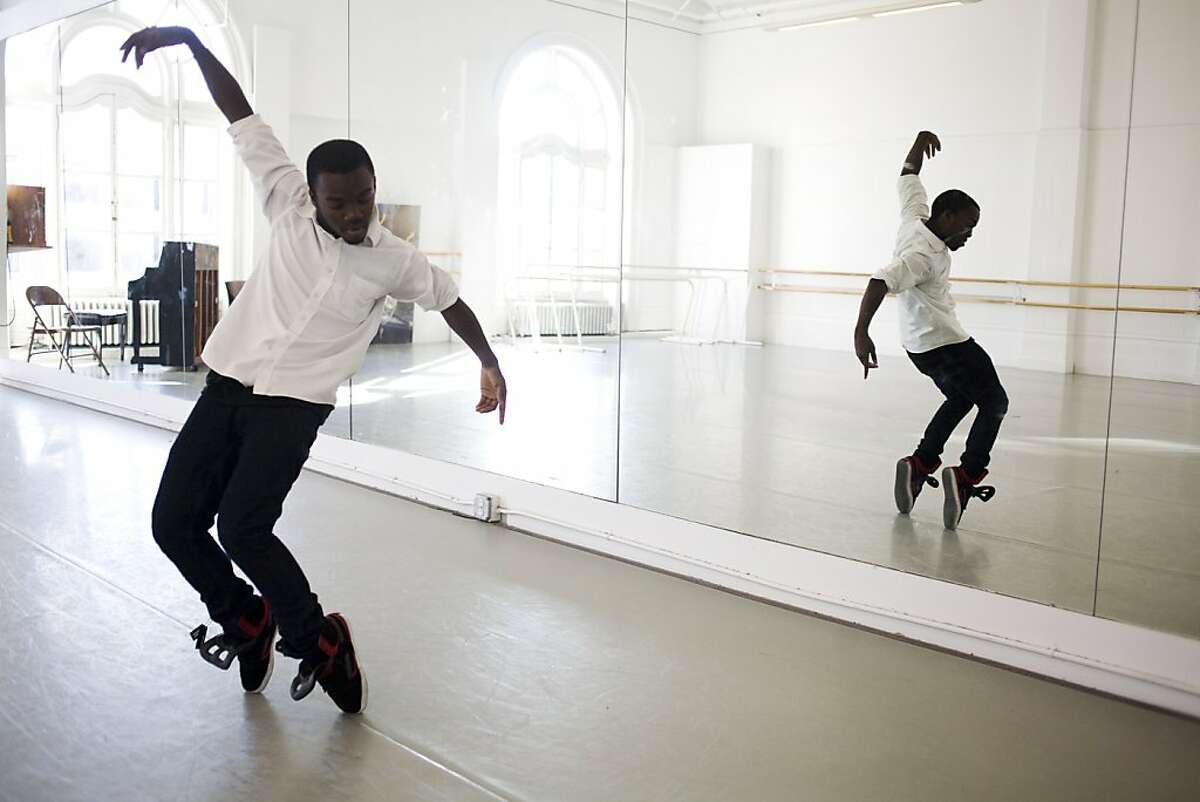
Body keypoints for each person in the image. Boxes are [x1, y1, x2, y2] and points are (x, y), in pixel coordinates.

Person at [122, 26, 507, 714]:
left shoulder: (394, 258)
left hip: (293, 408)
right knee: (172, 522)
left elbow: (450, 300)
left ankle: (320, 639)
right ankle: (245, 618)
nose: (356, 214)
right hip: (227, 386)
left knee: (243, 527)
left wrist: (488, 360)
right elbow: (241, 115)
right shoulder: (284, 200)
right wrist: (187, 39)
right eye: (340, 202)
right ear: (313, 193)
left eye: (364, 198)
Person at [854, 130, 1006, 531]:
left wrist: (918, 144)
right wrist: (861, 333)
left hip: (919, 346)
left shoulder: (915, 217)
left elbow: (908, 175)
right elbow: (879, 280)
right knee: (994, 402)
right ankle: (967, 474)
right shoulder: (922, 254)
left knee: (959, 399)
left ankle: (920, 463)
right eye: (968, 227)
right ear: (949, 217)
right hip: (945, 342)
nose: (969, 235)